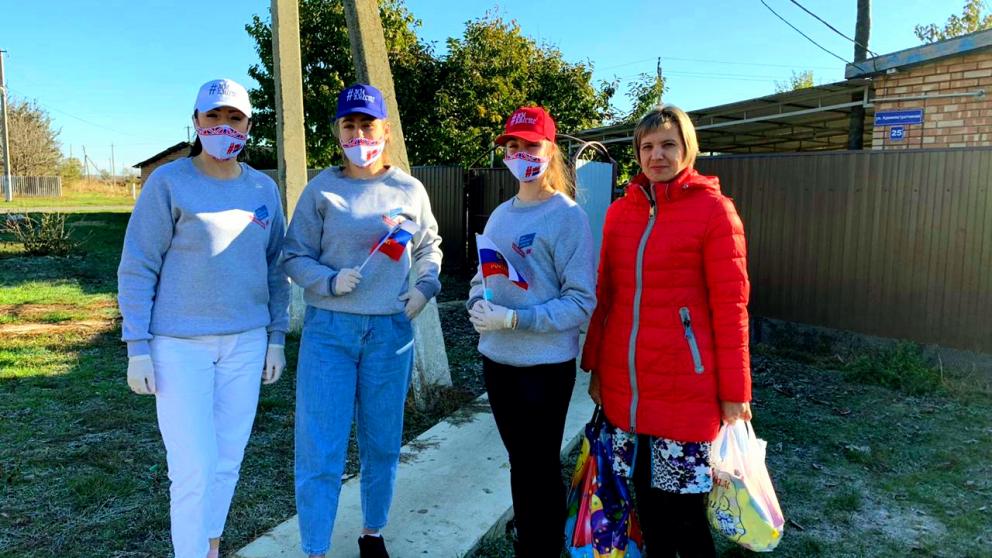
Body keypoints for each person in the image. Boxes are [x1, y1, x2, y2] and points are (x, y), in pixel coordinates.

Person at [117, 78, 290, 558]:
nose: (223, 126)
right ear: (196, 121)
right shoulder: (169, 182)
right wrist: (138, 346)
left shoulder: (263, 188)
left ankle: (210, 544)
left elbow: (275, 266)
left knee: (227, 460)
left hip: (247, 344)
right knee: (192, 467)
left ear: (249, 126)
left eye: (234, 118)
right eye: (213, 117)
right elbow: (138, 265)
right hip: (178, 346)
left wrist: (276, 337)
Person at [581, 104, 752, 558]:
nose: (657, 155)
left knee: (687, 519)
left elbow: (732, 308)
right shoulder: (620, 213)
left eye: (668, 145)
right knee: (648, 513)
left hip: (686, 391)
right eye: (648, 146)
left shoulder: (715, 211)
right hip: (626, 389)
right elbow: (607, 296)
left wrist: (735, 392)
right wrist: (595, 368)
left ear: (687, 149)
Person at [281, 83, 443, 558]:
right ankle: (314, 548)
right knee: (320, 448)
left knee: (382, 442)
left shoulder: (409, 189)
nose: (359, 134)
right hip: (330, 333)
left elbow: (429, 246)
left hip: (389, 334)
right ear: (337, 132)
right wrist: (329, 281)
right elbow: (293, 255)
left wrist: (424, 288)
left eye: (367, 125)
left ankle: (373, 533)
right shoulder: (321, 189)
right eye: (349, 125)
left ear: (385, 131)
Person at [467, 106, 597, 557]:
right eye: (513, 145)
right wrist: (475, 302)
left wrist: (518, 320)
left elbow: (581, 300)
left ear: (550, 150)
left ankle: (542, 545)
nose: (521, 153)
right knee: (521, 465)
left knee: (537, 467)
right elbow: (484, 274)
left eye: (531, 144)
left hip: (542, 367)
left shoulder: (567, 217)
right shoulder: (502, 214)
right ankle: (532, 540)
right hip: (498, 360)